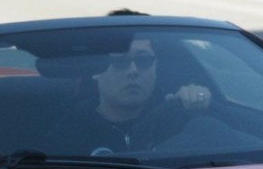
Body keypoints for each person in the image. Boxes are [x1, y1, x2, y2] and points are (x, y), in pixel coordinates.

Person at [46, 33, 214, 154]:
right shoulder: (67, 135)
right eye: (120, 61)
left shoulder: (179, 121)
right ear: (96, 71)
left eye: (144, 60)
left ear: (156, 68)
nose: (133, 71)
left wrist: (199, 104)